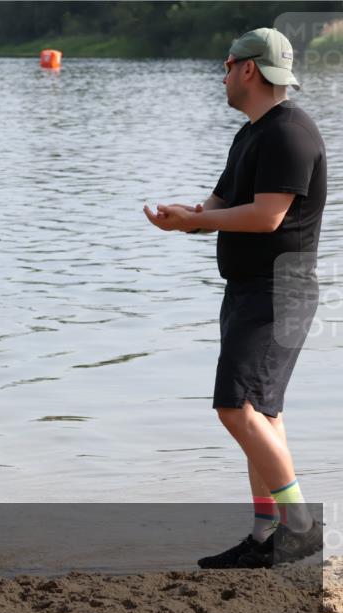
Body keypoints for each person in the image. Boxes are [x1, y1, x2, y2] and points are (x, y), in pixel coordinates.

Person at [143, 28, 326, 568]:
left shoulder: (290, 133)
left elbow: (267, 216)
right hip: (249, 291)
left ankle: (302, 527)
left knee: (236, 406)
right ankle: (267, 536)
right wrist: (186, 219)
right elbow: (223, 203)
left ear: (250, 69)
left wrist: (200, 221)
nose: (222, 76)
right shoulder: (252, 133)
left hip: (279, 292)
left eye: (226, 65)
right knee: (262, 415)